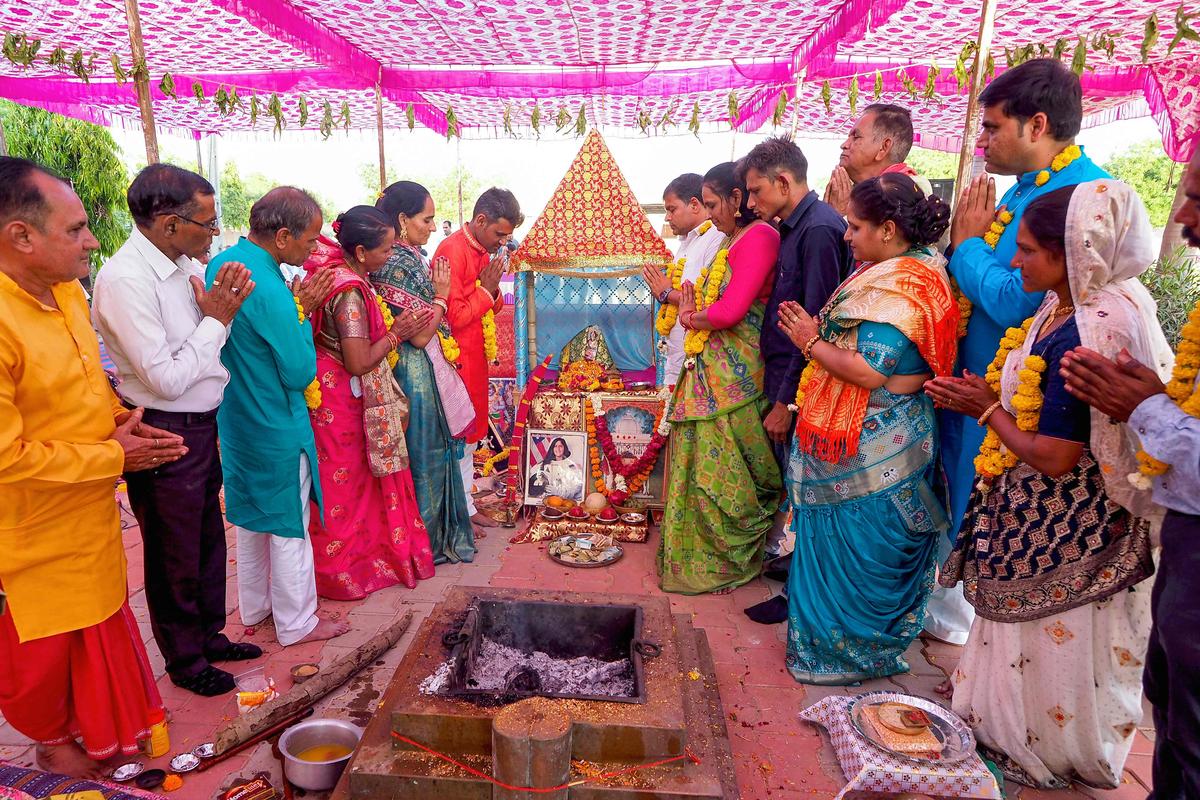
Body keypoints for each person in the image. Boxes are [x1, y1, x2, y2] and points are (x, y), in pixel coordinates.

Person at [928, 180, 1165, 789]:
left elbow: (1059, 457)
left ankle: (1045, 744)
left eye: (1028, 250)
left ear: (1073, 254)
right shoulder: (1063, 303)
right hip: (1034, 507)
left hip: (1070, 521)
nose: (1012, 261)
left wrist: (986, 410)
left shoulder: (1096, 325)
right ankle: (1004, 720)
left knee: (1053, 634)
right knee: (1023, 631)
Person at [0, 157, 180, 776]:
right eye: (76, 229)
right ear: (20, 237)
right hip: (27, 531)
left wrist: (119, 419)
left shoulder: (68, 293)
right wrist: (115, 454)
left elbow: (86, 383)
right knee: (43, 657)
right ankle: (54, 741)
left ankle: (100, 735)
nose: (93, 240)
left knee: (102, 617)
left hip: (87, 511)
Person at [931, 57, 1109, 647]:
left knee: (999, 515)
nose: (981, 141)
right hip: (979, 383)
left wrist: (964, 247)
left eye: (991, 128)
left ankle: (976, 631)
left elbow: (1013, 299)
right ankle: (957, 619)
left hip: (1025, 401)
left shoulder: (1080, 194)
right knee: (962, 496)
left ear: (1036, 126)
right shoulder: (1026, 189)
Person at [1059, 149, 1200, 799]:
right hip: (1187, 525)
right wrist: (1158, 403)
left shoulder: (1110, 313)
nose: (1184, 218)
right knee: (1170, 692)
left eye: (1198, 200)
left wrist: (1143, 407)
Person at [780, 173, 958, 684]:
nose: (846, 235)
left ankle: (847, 653)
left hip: (877, 444)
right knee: (841, 545)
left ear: (887, 228)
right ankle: (829, 649)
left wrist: (811, 342)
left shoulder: (901, 287)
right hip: (871, 435)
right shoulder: (895, 270)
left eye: (855, 226)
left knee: (860, 547)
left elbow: (869, 371)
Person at [92, 164, 262, 697]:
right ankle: (184, 660)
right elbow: (165, 379)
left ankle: (208, 635)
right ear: (168, 224)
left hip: (201, 420)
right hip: (164, 427)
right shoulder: (125, 281)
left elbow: (203, 345)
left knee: (208, 537)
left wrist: (218, 316)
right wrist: (216, 320)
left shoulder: (183, 263)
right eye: (206, 223)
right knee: (173, 551)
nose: (214, 234)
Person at [207, 187, 349, 646]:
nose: (313, 250)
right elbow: (299, 372)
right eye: (309, 241)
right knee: (288, 523)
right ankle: (297, 622)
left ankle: (257, 608)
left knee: (250, 518)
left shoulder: (224, 264)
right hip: (275, 421)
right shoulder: (267, 285)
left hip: (237, 417)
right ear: (283, 236)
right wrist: (302, 312)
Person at [739, 136, 853, 623]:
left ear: (784, 182)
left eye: (755, 190)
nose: (750, 203)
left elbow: (816, 327)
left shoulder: (821, 231)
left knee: (804, 490)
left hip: (802, 388)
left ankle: (800, 600)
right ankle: (797, 583)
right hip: (786, 378)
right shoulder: (794, 227)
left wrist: (786, 403)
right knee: (795, 485)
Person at [658, 162, 782, 595]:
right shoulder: (733, 238)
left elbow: (730, 311)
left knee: (727, 467)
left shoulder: (760, 236)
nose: (710, 214)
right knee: (698, 460)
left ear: (737, 198)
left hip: (739, 371)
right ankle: (697, 552)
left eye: (713, 204)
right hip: (713, 365)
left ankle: (728, 555)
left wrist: (692, 317)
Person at [302, 205, 436, 598]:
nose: (389, 257)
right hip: (340, 398)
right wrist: (397, 333)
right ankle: (342, 573)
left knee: (352, 485)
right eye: (385, 250)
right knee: (347, 489)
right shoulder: (349, 293)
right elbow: (358, 360)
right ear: (361, 252)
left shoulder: (344, 276)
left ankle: (359, 563)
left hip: (338, 393)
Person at [372, 181, 477, 564]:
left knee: (431, 452)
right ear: (402, 220)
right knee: (425, 455)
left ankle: (429, 539)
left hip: (418, 366)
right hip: (413, 370)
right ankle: (426, 545)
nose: (433, 227)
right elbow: (420, 336)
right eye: (427, 219)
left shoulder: (410, 255)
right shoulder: (397, 262)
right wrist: (442, 297)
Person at [434, 188, 523, 530]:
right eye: (499, 234)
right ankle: (459, 513)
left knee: (471, 434)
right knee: (458, 434)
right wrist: (486, 290)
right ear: (481, 220)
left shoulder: (482, 250)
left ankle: (468, 505)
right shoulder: (451, 251)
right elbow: (453, 315)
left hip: (475, 356)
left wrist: (492, 288)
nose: (502, 242)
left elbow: (493, 304)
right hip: (456, 358)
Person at [642, 173, 726, 385]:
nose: (667, 218)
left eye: (672, 209)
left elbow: (710, 299)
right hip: (677, 355)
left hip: (700, 360)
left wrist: (666, 293)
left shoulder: (715, 237)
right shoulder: (686, 243)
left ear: (695, 205)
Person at [823, 103, 933, 215]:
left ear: (883, 148)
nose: (844, 145)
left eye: (856, 137)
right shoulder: (857, 194)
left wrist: (836, 216)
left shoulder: (910, 194)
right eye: (848, 137)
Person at [527, 437, 584, 501]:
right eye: (555, 446)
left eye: (560, 446)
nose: (558, 449)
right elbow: (530, 483)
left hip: (564, 502)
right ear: (552, 448)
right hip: (545, 500)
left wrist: (557, 492)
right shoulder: (543, 465)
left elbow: (576, 487)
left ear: (564, 448)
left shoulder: (572, 465)